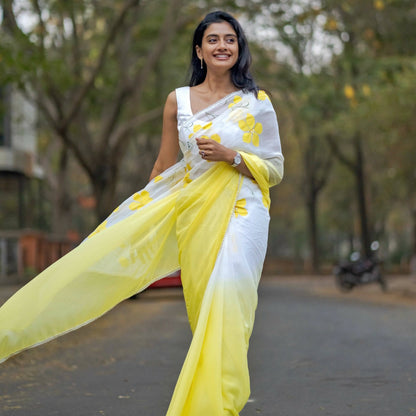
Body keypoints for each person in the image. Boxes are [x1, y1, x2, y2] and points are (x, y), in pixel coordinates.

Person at [0, 10, 283, 416]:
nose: (223, 46)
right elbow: (164, 169)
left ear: (239, 49)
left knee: (231, 299)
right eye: (214, 40)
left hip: (243, 210)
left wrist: (233, 156)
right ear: (199, 50)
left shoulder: (257, 104)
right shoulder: (178, 101)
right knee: (206, 305)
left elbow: (275, 168)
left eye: (230, 40)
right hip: (192, 214)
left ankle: (217, 405)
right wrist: (135, 218)